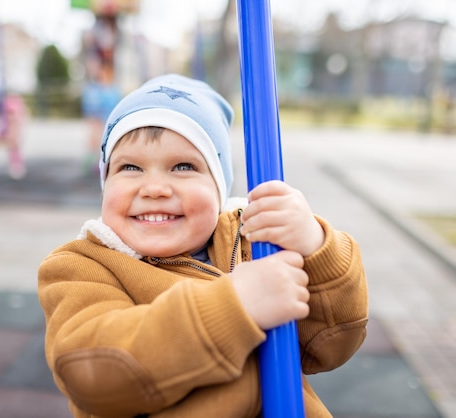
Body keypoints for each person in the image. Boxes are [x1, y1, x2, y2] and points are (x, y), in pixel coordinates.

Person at [38, 74, 368, 418]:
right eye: (130, 167)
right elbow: (92, 373)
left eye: (183, 166)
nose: (154, 188)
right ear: (106, 182)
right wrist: (233, 307)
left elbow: (331, 343)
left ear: (219, 190)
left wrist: (315, 248)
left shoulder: (257, 242)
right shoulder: (80, 267)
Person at [0, 94, 28, 179]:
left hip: (13, 128)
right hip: (11, 128)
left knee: (14, 147)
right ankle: (15, 165)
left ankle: (17, 165)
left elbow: (13, 116)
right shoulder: (11, 102)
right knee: (12, 148)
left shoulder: (12, 103)